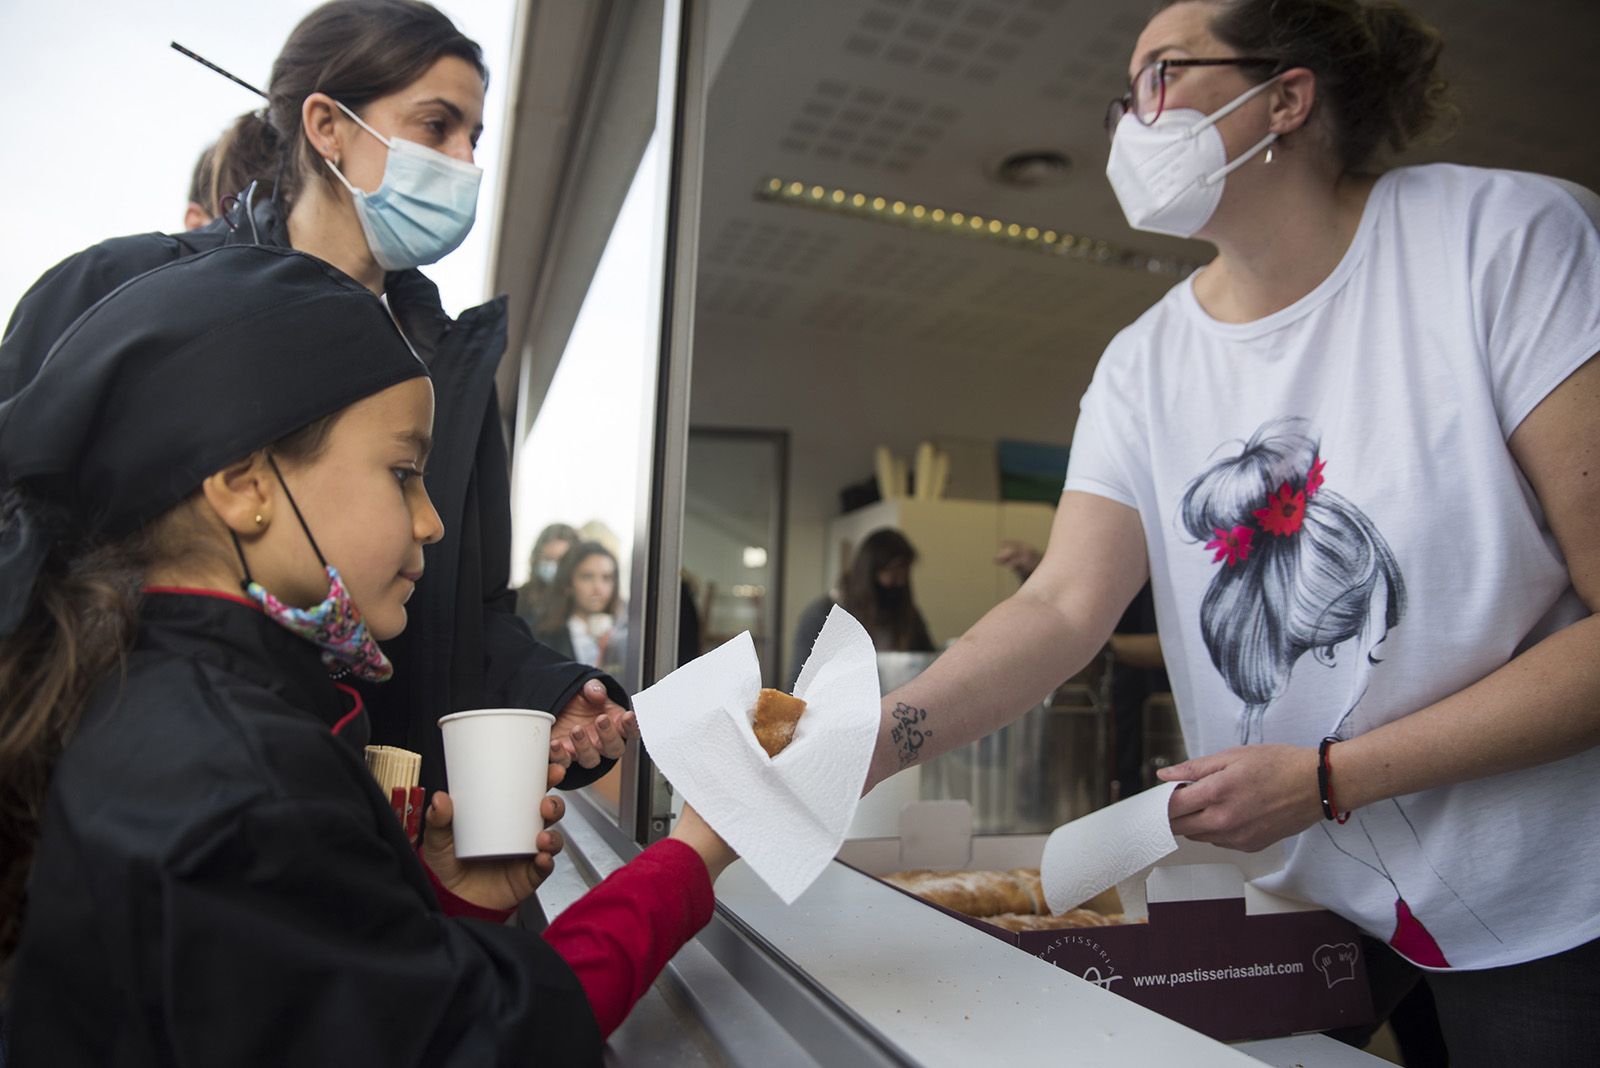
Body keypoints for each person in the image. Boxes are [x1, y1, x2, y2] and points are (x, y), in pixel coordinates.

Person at [862, 1, 1600, 1062]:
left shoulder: (1505, 244)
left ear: (1286, 97)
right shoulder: (1142, 363)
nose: (1131, 120)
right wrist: (876, 740)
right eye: (1127, 94)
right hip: (1311, 893)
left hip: (1544, 898)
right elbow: (1063, 607)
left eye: (1161, 75)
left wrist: (1331, 776)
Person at [0, 247, 737, 1065]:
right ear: (245, 486)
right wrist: (692, 857)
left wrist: (442, 906)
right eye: (403, 472)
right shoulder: (238, 782)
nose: (433, 522)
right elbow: (480, 1042)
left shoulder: (167, 698)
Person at [0, 0, 630, 797]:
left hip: (377, 828)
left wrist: (550, 692)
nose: (466, 161)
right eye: (437, 126)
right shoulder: (139, 295)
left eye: (476, 137)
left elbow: (465, 613)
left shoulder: (453, 366)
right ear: (328, 126)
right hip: (151, 800)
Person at [791, 528, 934, 687]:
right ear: (870, 573)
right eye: (893, 573)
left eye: (904, 573)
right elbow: (800, 681)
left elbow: (927, 664)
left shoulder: (907, 615)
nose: (900, 582)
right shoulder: (821, 615)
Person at [537, 542, 628, 677]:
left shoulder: (625, 635)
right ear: (568, 584)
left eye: (607, 578)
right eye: (587, 577)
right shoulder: (545, 640)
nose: (598, 587)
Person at [516, 520, 580, 622]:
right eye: (547, 559)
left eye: (560, 561)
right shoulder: (518, 599)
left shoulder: (579, 603)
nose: (553, 566)